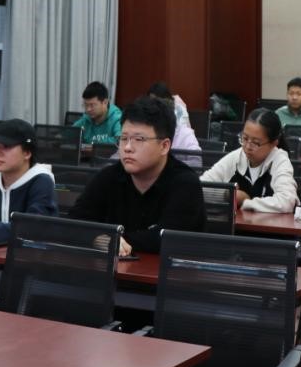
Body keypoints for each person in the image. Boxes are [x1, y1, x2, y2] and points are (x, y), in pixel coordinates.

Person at [70, 96, 205, 255]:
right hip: (113, 269)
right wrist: (98, 238)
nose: (127, 147)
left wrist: (113, 239)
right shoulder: (108, 177)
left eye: (139, 139)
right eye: (123, 138)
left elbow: (167, 239)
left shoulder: (186, 184)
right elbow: (73, 223)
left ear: (164, 146)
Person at [201, 108, 297, 214]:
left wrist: (246, 202)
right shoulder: (237, 156)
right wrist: (227, 194)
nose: (247, 147)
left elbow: (287, 202)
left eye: (255, 143)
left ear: (274, 143)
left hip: (268, 224)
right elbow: (200, 187)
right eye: (245, 138)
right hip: (237, 223)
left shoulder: (280, 161)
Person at [148, 82, 199, 151]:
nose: (153, 105)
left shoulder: (177, 111)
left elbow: (194, 154)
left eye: (156, 102)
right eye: (151, 101)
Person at [71, 81, 123, 145]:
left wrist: (93, 144)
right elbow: (68, 134)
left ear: (105, 102)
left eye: (92, 105)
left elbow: (120, 140)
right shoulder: (85, 120)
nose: (88, 109)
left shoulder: (117, 118)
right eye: (86, 105)